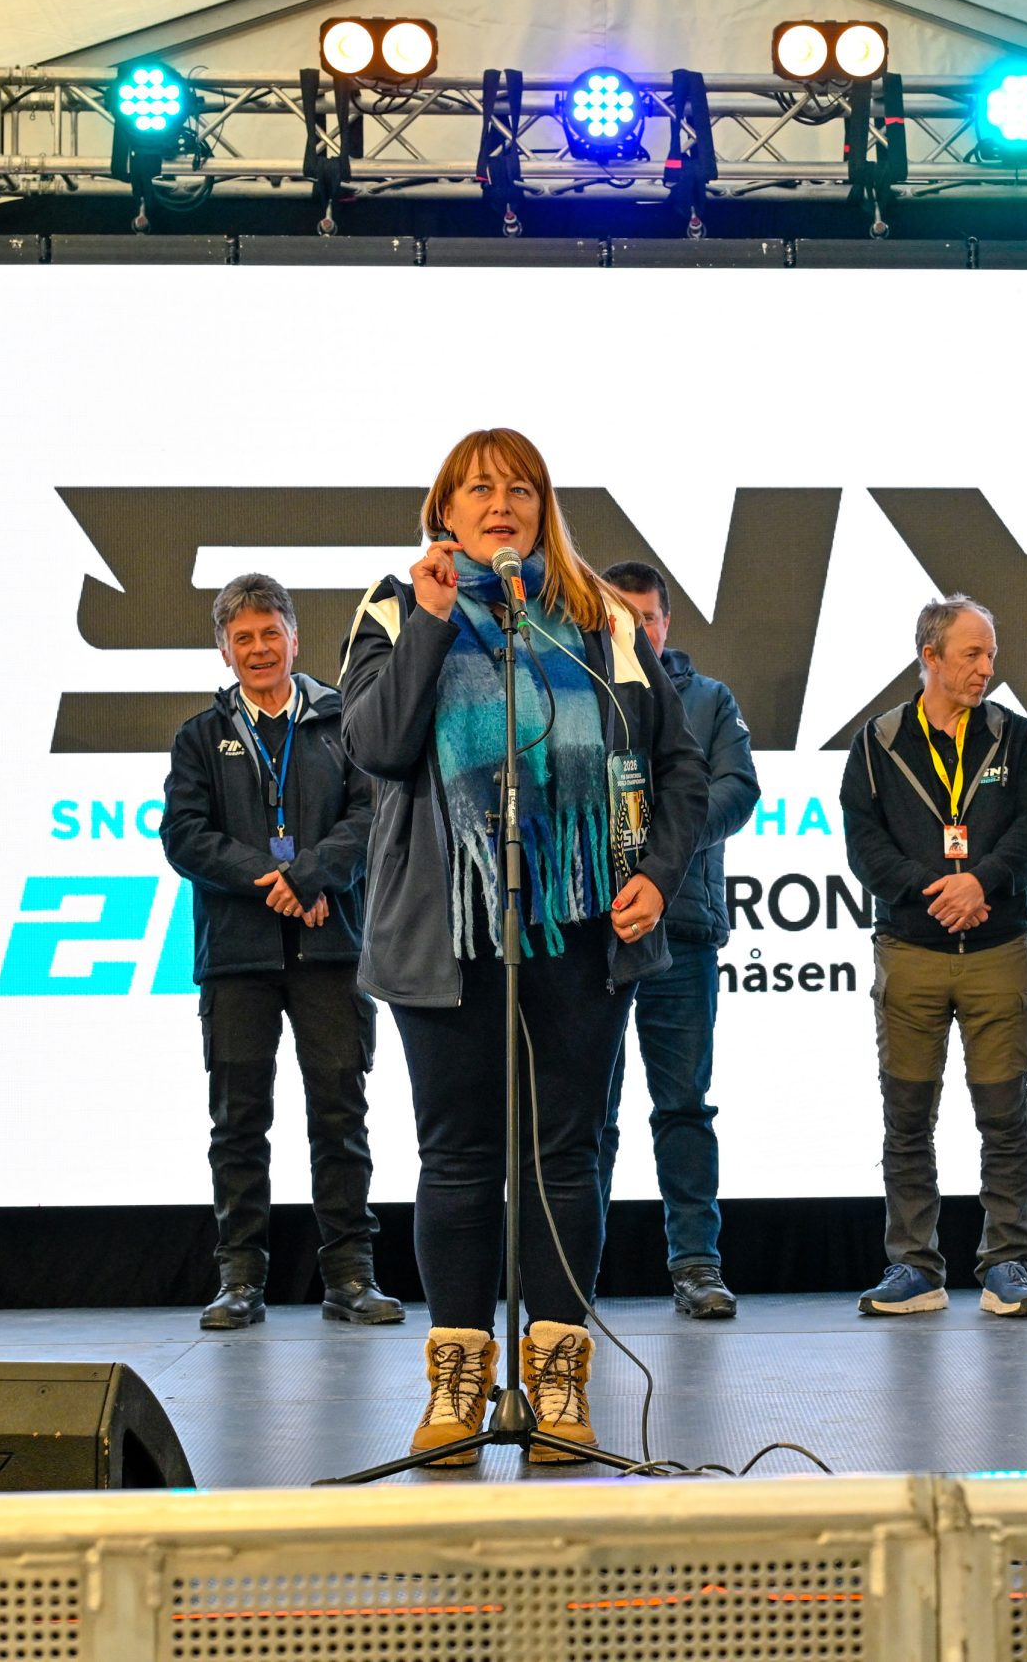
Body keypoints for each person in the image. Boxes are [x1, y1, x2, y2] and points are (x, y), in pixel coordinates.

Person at [340, 428, 707, 1467]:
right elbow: (375, 746)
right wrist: (431, 620)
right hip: (448, 934)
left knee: (564, 1158)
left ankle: (557, 1379)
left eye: (519, 488)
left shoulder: (600, 619)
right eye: (477, 489)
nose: (499, 503)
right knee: (458, 1159)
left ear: (545, 508)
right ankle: (458, 1388)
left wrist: (655, 874)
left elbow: (680, 767)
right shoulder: (393, 609)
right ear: (443, 513)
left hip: (582, 929)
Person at [163, 573, 400, 1333]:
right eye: (244, 638)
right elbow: (184, 836)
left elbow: (371, 817)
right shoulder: (200, 736)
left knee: (340, 1116)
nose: (259, 648)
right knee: (237, 1123)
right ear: (224, 651)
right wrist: (275, 880)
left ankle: (350, 1276)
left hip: (332, 952)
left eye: (271, 633)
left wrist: (311, 875)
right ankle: (240, 1280)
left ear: (294, 639)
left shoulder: (343, 722)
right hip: (238, 958)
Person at [840, 594, 1027, 1318]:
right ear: (929, 657)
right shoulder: (877, 742)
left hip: (996, 949)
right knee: (906, 1118)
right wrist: (933, 891)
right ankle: (914, 1266)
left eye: (990, 653)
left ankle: (1008, 1261)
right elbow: (864, 845)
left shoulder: (1015, 738)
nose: (986, 668)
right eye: (972, 654)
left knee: (1004, 1115)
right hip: (910, 950)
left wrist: (980, 883)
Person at [595, 560, 760, 1319]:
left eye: (648, 617)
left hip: (681, 927)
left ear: (667, 623)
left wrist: (661, 843)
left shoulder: (709, 699)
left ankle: (697, 1265)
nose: (637, 629)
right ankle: (573, 1276)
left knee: (683, 1106)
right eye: (621, 616)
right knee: (586, 1116)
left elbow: (736, 791)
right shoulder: (577, 693)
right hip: (592, 931)